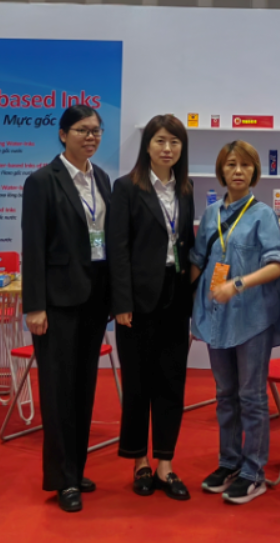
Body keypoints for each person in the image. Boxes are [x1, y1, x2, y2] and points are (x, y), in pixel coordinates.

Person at [21, 104, 113, 514]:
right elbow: (33, 245)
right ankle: (62, 479)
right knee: (58, 392)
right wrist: (34, 306)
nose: (91, 137)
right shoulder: (43, 181)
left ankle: (76, 468)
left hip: (94, 299)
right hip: (56, 303)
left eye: (96, 130)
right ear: (63, 134)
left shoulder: (102, 179)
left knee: (84, 388)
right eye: (82, 130)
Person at [190, 140, 280, 505]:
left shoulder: (263, 214)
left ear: (255, 172)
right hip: (217, 318)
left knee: (251, 397)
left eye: (245, 165)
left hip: (251, 319)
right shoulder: (211, 214)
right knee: (224, 396)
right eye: (231, 164)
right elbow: (197, 263)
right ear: (221, 170)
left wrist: (238, 284)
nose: (238, 171)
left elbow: (277, 265)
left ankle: (253, 471)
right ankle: (228, 462)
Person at [108, 114, 196, 501]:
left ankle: (165, 463)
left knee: (172, 382)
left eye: (174, 142)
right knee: (138, 383)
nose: (167, 148)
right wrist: (121, 302)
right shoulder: (127, 188)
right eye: (160, 140)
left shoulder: (186, 189)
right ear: (147, 145)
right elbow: (118, 249)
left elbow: (186, 242)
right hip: (137, 301)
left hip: (176, 296)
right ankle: (139, 461)